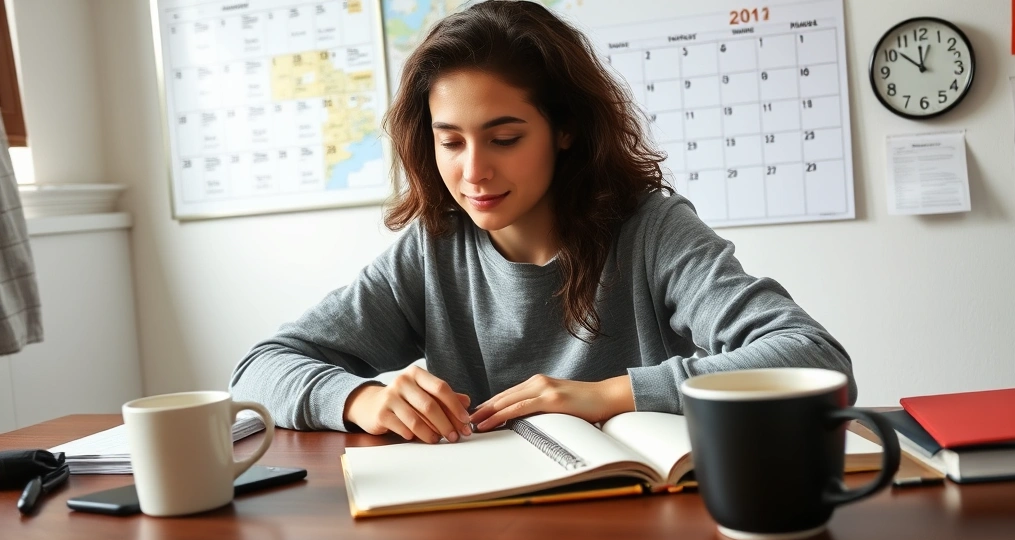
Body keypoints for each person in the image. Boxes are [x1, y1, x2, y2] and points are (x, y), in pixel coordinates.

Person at [230, 0, 855, 444]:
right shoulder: (432, 249)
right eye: (451, 142)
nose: (473, 171)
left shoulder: (653, 231)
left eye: (503, 137)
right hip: (482, 523)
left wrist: (613, 395)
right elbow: (262, 365)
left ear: (565, 129)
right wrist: (359, 398)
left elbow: (817, 359)